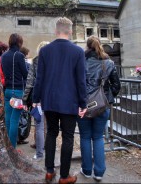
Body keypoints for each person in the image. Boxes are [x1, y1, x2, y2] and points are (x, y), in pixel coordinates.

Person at [32, 17, 87, 184]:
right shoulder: (78, 52)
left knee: (51, 134)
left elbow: (39, 78)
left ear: (56, 31)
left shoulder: (45, 51)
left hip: (49, 100)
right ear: (70, 31)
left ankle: (49, 171)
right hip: (70, 101)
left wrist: (35, 99)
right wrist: (83, 103)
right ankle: (64, 176)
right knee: (68, 137)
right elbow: (81, 80)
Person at [77, 35, 121, 182]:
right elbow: (116, 86)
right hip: (102, 106)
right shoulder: (108, 63)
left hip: (83, 105)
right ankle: (99, 172)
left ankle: (87, 170)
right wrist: (107, 98)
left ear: (87, 47)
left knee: (84, 137)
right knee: (98, 137)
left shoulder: (80, 62)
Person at [22, 41, 50, 160]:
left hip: (38, 97)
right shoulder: (55, 60)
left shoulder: (35, 61)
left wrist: (25, 99)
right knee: (50, 126)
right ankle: (50, 150)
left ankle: (39, 154)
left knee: (39, 125)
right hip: (52, 97)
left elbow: (30, 82)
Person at [1, 33, 28, 149]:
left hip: (7, 90)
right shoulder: (19, 55)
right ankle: (12, 147)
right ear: (19, 42)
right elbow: (25, 74)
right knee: (14, 121)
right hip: (17, 91)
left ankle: (7, 145)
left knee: (8, 119)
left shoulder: (4, 56)